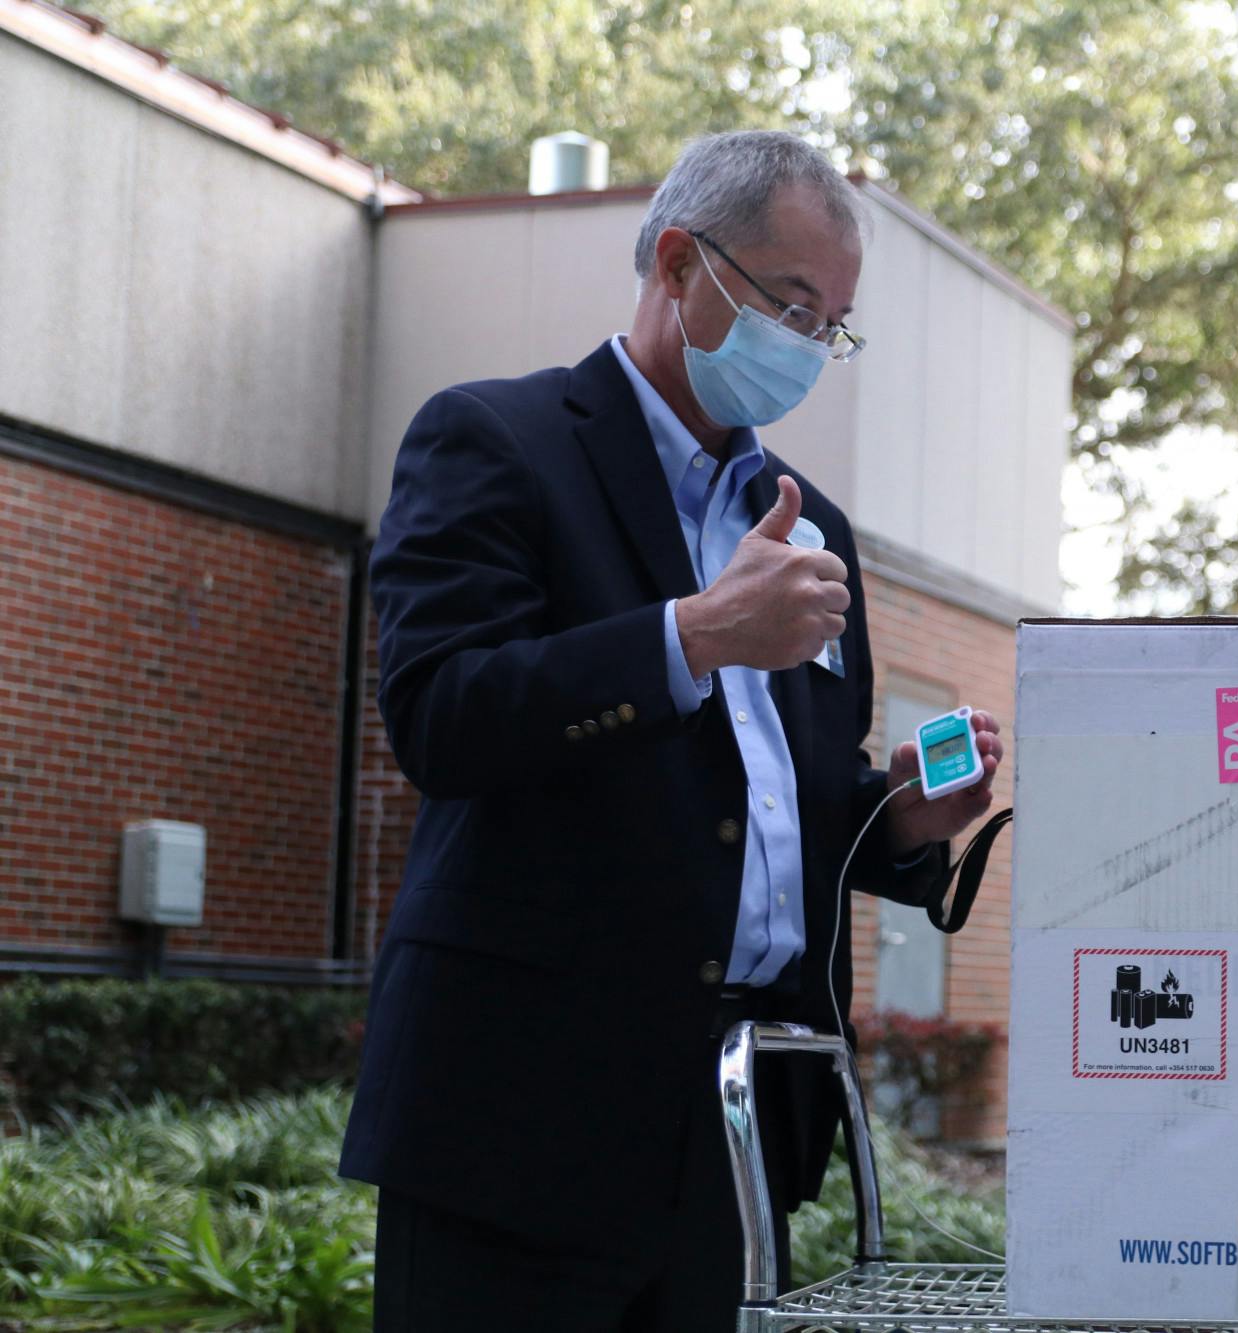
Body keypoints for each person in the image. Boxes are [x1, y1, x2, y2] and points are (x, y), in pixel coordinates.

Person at [338, 130, 1004, 1331]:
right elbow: (442, 717)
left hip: (734, 1133)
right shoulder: (493, 440)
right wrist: (688, 637)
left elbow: (762, 802)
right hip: (519, 1125)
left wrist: (894, 818)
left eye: (832, 326)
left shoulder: (811, 530)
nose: (807, 347)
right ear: (679, 261)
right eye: (791, 304)